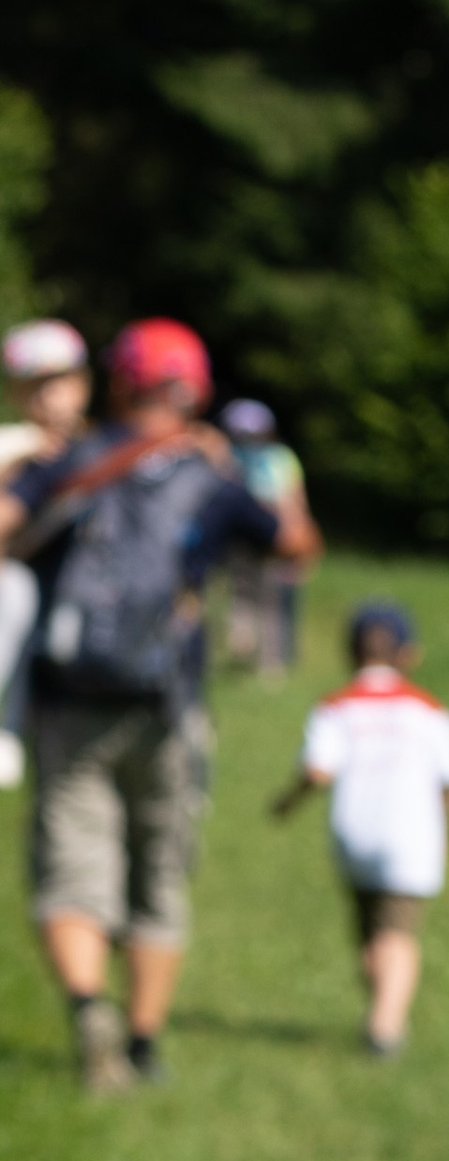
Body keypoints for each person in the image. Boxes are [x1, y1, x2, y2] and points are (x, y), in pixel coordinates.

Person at [0, 315, 278, 1093]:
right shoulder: (209, 473)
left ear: (114, 382)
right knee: (158, 872)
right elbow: (291, 544)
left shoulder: (69, 463)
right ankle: (145, 1042)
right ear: (194, 388)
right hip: (168, 701)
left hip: (68, 695)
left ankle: (91, 1009)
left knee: (69, 869)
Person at [269, 600, 449, 1053]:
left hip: (353, 830)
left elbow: (318, 771)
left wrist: (287, 803)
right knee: (398, 933)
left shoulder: (336, 707)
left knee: (369, 934)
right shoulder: (429, 710)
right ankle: (386, 1027)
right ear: (408, 653)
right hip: (411, 833)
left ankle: (382, 1013)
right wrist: (446, 829)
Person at [0, 319, 91, 790]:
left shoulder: (101, 449)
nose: (48, 398)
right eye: (33, 387)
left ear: (83, 383)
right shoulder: (22, 452)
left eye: (57, 382)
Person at [213, 397, 321, 671]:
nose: (248, 439)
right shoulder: (226, 458)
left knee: (273, 601)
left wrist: (304, 546)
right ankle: (243, 650)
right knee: (242, 593)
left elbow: (295, 502)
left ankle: (271, 663)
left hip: (277, 539)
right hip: (241, 541)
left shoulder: (280, 459)